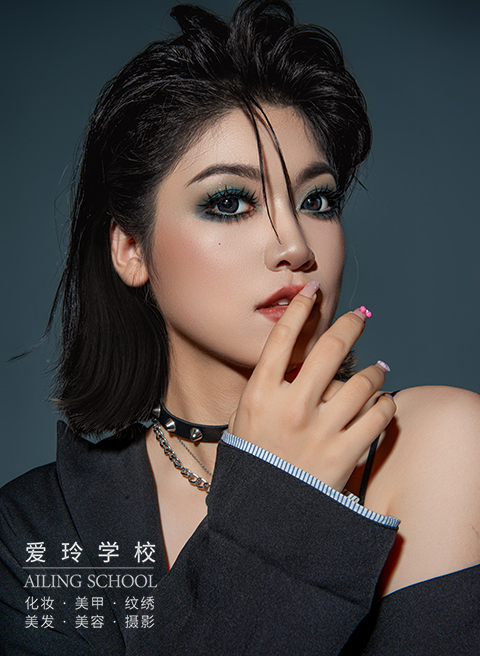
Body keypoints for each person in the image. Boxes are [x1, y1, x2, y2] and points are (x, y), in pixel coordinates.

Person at [1, 0, 479, 654]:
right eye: (229, 202)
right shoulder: (31, 531)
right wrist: (276, 503)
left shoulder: (436, 449)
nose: (295, 246)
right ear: (131, 249)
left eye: (317, 200)